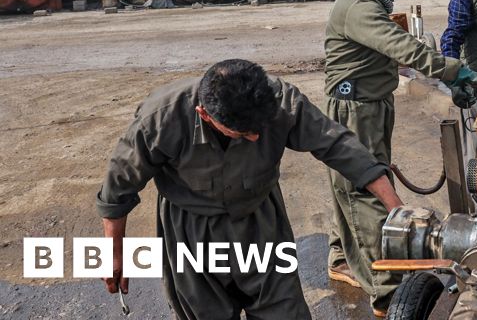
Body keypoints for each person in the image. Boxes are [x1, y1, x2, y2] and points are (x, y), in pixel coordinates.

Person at [96, 59, 399, 320]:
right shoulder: (161, 117)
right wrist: (114, 254)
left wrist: (396, 208)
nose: (255, 138)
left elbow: (337, 144)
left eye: (259, 129)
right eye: (242, 133)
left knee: (285, 310)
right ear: (204, 114)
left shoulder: (279, 99)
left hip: (261, 223)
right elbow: (117, 187)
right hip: (190, 232)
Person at [324, 0, 477, 316]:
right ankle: (388, 293)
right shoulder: (359, 6)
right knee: (367, 192)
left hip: (370, 105)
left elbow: (393, 54)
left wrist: (450, 78)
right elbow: (403, 48)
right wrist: (459, 72)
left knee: (358, 184)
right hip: (356, 109)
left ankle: (342, 256)